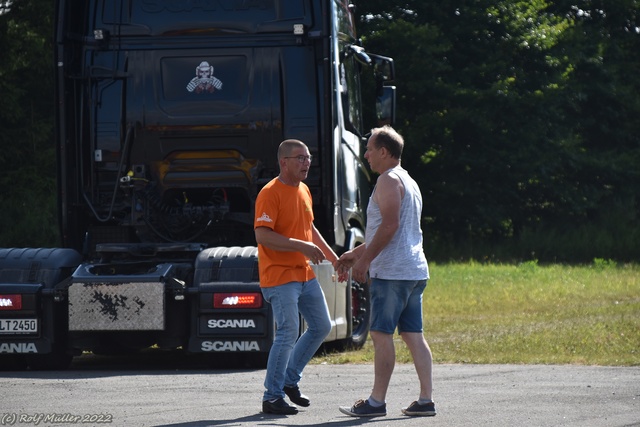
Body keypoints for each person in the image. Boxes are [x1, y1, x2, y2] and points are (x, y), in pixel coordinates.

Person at [336, 125, 436, 417]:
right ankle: (426, 400)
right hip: (413, 270)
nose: (365, 154)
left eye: (369, 149)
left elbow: (390, 226)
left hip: (392, 273)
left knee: (381, 334)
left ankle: (376, 402)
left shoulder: (388, 180)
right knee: (412, 334)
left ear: (384, 151)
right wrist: (355, 254)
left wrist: (365, 262)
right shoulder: (408, 180)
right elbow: (390, 228)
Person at [254, 139, 342, 415]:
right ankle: (272, 397)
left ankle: (289, 380)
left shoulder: (304, 190)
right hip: (280, 276)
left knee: (321, 326)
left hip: (304, 274)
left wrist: (334, 258)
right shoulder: (270, 193)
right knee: (288, 331)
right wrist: (300, 246)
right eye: (300, 158)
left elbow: (309, 228)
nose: (307, 162)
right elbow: (262, 235)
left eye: (308, 158)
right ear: (284, 162)